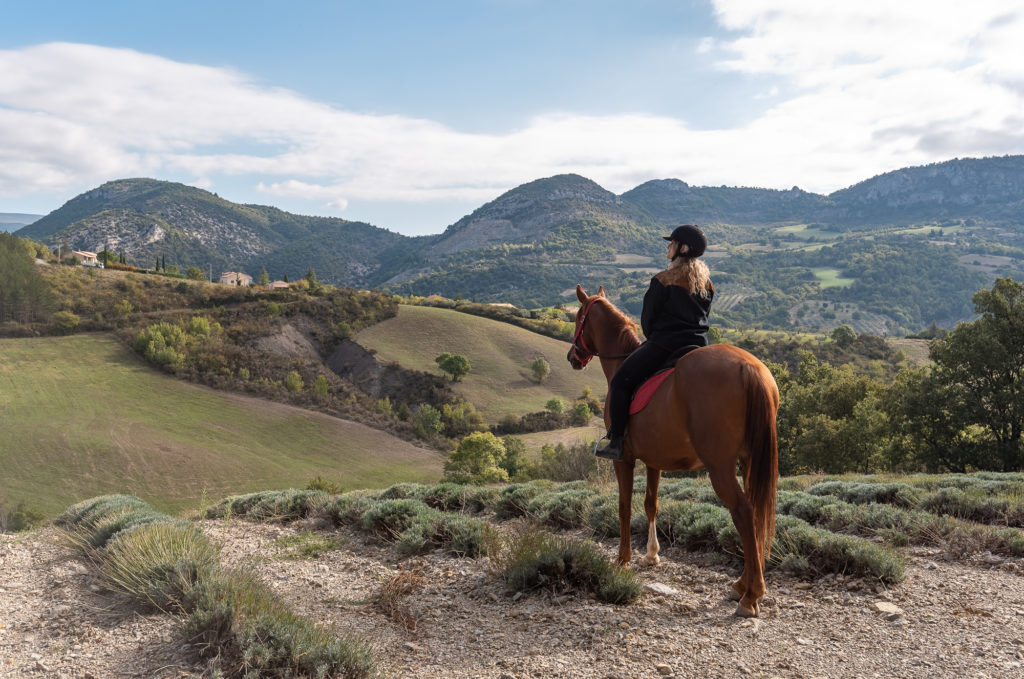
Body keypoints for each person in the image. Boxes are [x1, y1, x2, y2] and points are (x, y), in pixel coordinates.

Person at [594, 224, 715, 460]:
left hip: (665, 345)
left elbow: (648, 321)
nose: (668, 246)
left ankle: (616, 441)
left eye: (672, 243)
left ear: (684, 248)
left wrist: (653, 340)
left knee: (619, 382)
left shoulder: (662, 280)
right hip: (700, 346)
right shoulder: (707, 284)